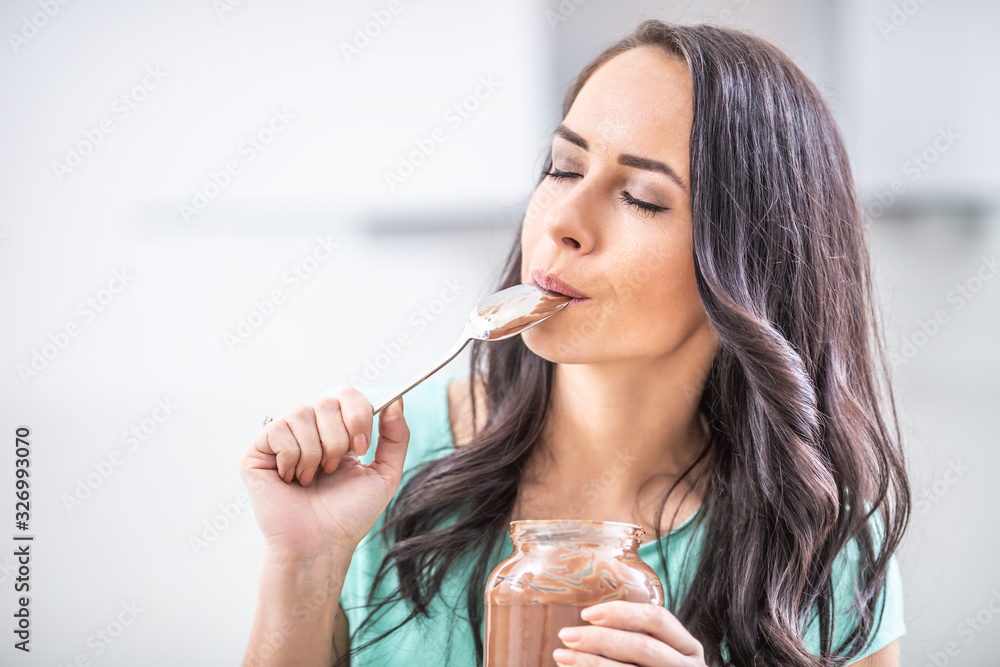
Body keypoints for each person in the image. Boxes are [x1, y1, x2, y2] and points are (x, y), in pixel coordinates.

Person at [239, 19, 910, 667]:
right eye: (563, 168)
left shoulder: (821, 542)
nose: (563, 221)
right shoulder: (372, 460)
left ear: (753, 263)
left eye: (643, 198)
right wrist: (303, 566)